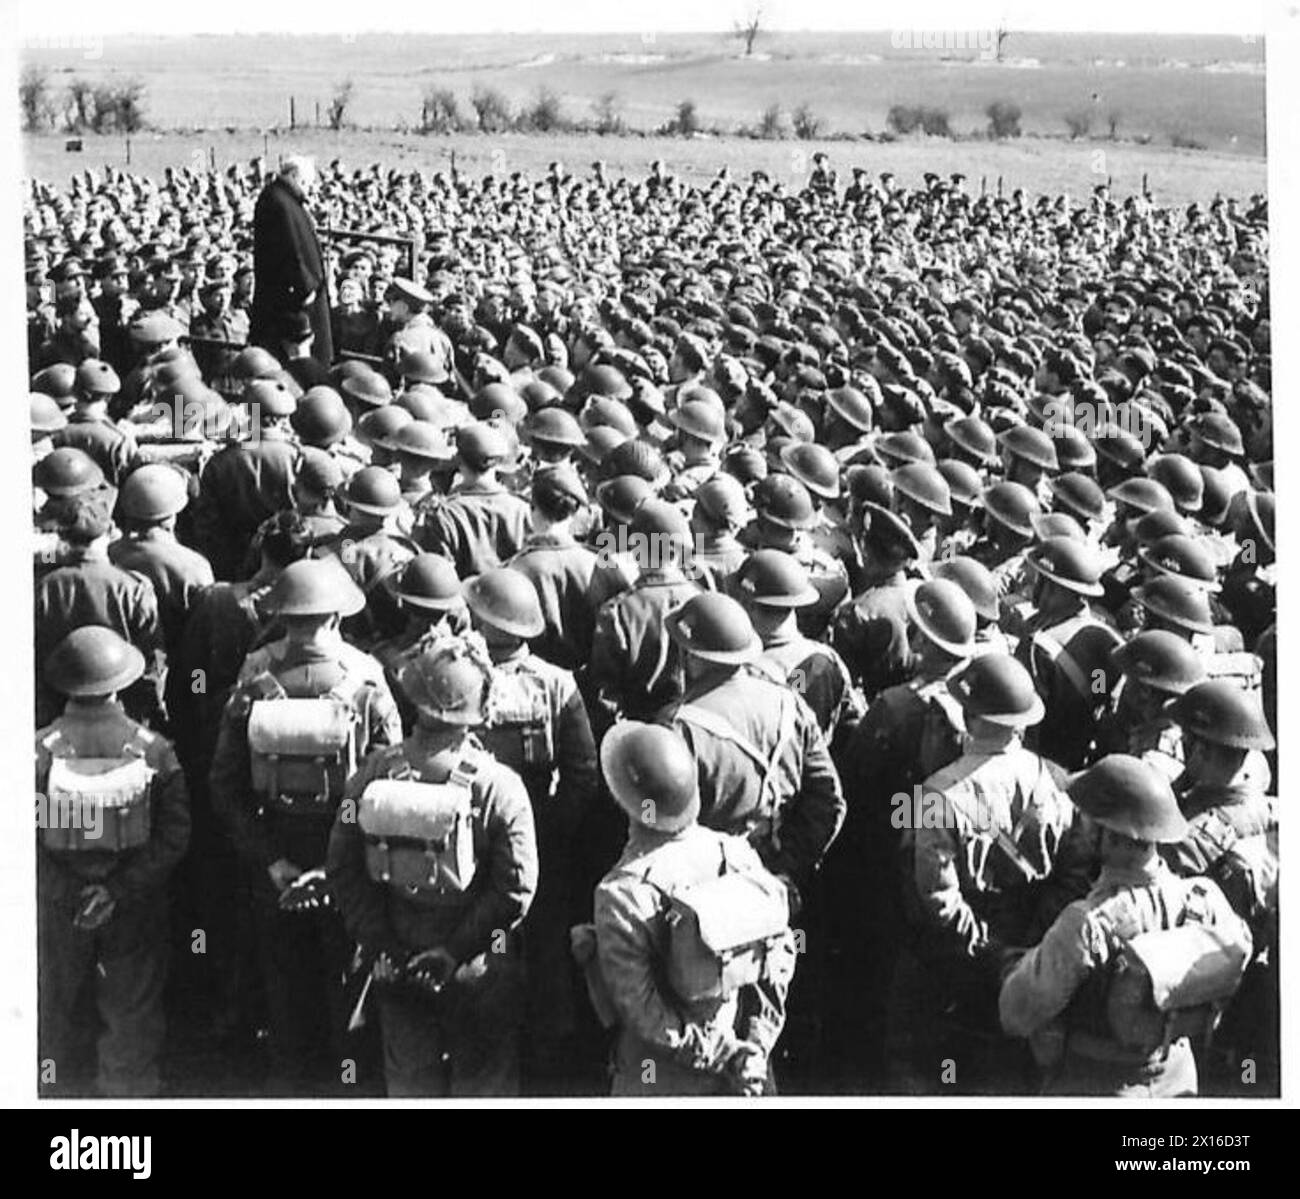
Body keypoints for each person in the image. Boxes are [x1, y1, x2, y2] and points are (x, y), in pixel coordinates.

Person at [208, 559, 402, 1093]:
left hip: (274, 857)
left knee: (284, 985)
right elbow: (388, 788)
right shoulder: (367, 679)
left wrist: (270, 860)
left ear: (281, 616)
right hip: (348, 860)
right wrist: (334, 869)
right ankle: (348, 1087)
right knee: (348, 987)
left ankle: (289, 1086)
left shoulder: (253, 678)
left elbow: (223, 783)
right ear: (337, 615)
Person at [327, 638, 538, 1096]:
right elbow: (516, 889)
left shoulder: (368, 775)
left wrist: (381, 944)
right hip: (479, 966)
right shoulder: (502, 787)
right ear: (478, 710)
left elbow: (341, 867)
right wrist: (455, 951)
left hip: (397, 962)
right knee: (485, 1083)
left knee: (410, 1081)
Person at [1000, 755, 1254, 1097]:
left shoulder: (1086, 922)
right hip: (1178, 1080)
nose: (1083, 826)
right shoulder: (1205, 898)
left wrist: (1015, 964)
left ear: (1111, 835)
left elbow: (1016, 1013)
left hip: (1097, 1083)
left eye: (1090, 821)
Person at [590, 721, 796, 1095]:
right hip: (745, 1066)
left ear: (624, 802)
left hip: (661, 1077)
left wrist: (723, 1054)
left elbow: (642, 1012)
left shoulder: (620, 893)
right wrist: (754, 1045)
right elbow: (779, 956)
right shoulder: (737, 854)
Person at [37, 627, 190, 1096]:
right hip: (133, 907)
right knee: (132, 1013)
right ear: (119, 684)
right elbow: (175, 835)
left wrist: (67, 891)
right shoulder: (154, 751)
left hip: (59, 908)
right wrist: (117, 891)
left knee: (48, 1010)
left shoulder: (35, 753)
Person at [250, 157, 332, 366]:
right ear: (294, 176)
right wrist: (305, 289)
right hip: (292, 303)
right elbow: (292, 250)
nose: (309, 189)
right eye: (306, 183)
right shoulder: (279, 202)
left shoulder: (282, 199)